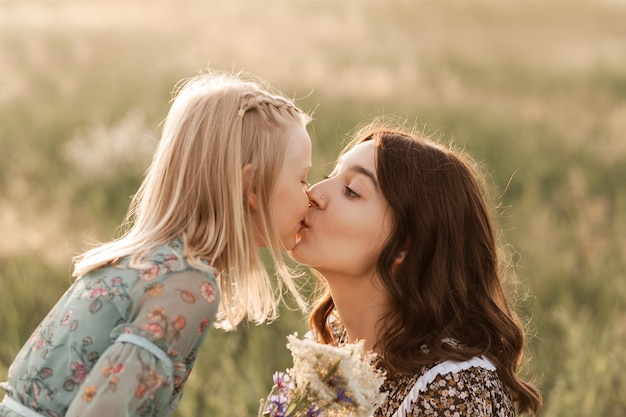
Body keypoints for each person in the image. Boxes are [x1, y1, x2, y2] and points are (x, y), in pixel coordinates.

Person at [0, 70, 313, 417]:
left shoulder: (147, 261)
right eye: (302, 178)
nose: (311, 196)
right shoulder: (188, 287)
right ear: (252, 186)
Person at [292, 122, 542, 416]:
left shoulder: (455, 391)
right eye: (327, 176)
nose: (314, 192)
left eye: (351, 191)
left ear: (403, 247)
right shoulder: (332, 341)